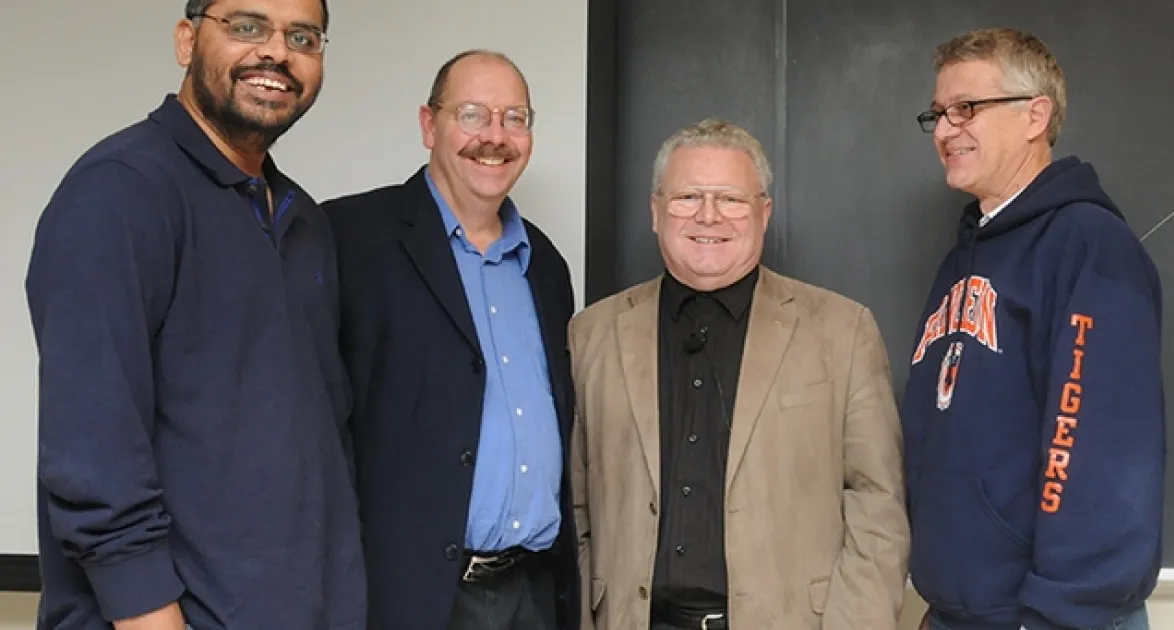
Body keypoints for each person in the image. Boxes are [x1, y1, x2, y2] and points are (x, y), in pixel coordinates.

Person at [24, 1, 366, 629]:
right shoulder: (119, 190)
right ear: (187, 40)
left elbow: (319, 436)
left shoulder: (304, 220)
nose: (277, 52)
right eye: (246, 26)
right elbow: (92, 449)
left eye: (303, 37)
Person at [568, 117, 910, 630]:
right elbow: (573, 507)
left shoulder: (843, 332)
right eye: (687, 197)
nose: (708, 216)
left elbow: (877, 506)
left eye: (730, 199)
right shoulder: (592, 333)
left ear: (763, 213)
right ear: (656, 211)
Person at [905, 27, 1164, 630]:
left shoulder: (1089, 247)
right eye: (938, 113)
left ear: (1035, 116)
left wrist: (1060, 613)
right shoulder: (963, 259)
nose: (944, 130)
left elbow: (1099, 451)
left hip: (1053, 618)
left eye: (967, 108)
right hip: (961, 612)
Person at [322, 50, 580, 630]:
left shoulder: (545, 265)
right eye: (472, 114)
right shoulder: (349, 238)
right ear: (428, 124)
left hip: (534, 592)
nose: (495, 136)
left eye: (515, 118)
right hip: (409, 597)